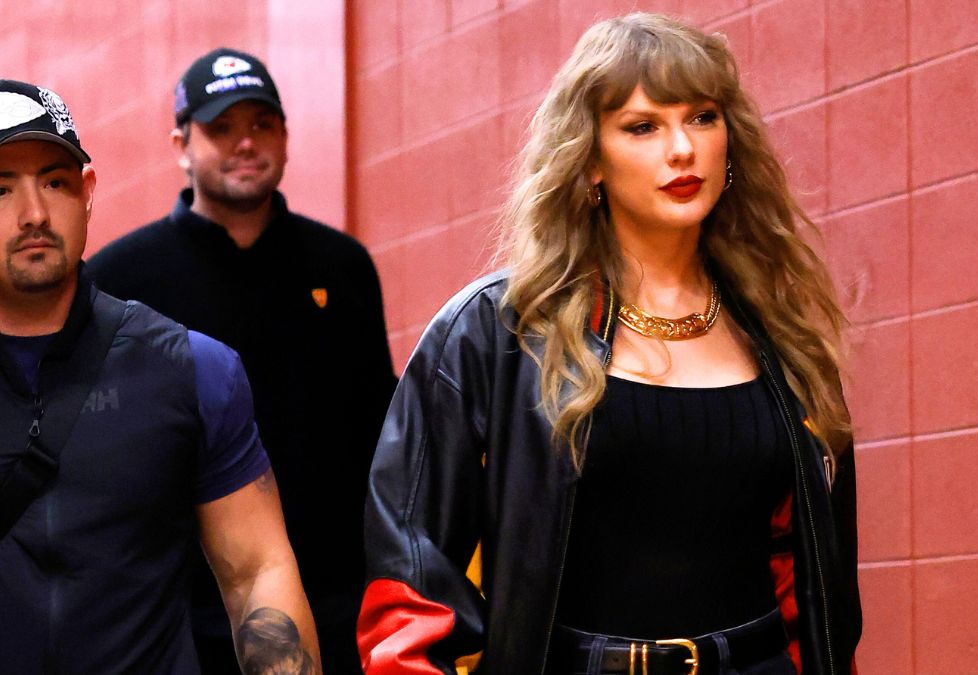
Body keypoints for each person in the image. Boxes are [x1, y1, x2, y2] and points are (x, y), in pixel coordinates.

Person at [357, 13, 861, 675]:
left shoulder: (781, 333)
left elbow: (816, 584)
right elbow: (412, 579)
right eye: (643, 126)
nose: (682, 149)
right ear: (589, 159)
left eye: (703, 117)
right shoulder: (495, 333)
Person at [88, 49, 396, 674]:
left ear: (285, 136)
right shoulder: (121, 279)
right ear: (182, 144)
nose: (246, 143)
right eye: (221, 128)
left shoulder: (342, 266)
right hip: (178, 627)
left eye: (261, 124)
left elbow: (381, 434)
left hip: (337, 613)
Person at [0, 79, 319, 673]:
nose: (35, 214)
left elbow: (257, 576)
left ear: (87, 192)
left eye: (55, 181)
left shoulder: (192, 369)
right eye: (1, 189)